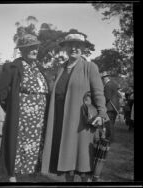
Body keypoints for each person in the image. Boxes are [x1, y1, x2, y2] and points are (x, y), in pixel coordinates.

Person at [41, 33, 108, 182]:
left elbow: (98, 92)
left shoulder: (90, 67)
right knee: (67, 162)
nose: (74, 48)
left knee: (83, 161)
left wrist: (102, 114)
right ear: (65, 48)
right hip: (60, 120)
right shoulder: (61, 68)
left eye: (78, 45)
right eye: (70, 45)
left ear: (83, 48)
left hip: (80, 122)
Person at [0, 34, 49, 182]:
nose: (34, 50)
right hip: (22, 114)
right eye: (30, 48)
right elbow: (0, 91)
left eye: (36, 47)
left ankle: (31, 169)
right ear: (22, 50)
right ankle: (13, 174)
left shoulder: (38, 68)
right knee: (18, 141)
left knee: (35, 141)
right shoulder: (13, 67)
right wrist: (12, 107)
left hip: (39, 116)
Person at [101, 72, 120, 141]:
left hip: (110, 107)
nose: (102, 80)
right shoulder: (114, 84)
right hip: (115, 107)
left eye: (103, 79)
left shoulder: (107, 85)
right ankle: (110, 138)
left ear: (105, 78)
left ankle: (109, 139)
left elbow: (107, 97)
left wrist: (101, 102)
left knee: (109, 124)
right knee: (112, 123)